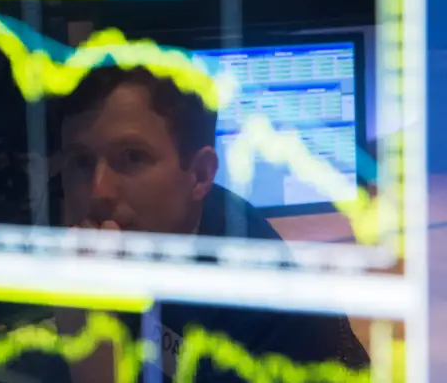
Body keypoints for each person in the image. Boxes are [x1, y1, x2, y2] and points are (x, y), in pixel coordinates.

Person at [45, 65, 369, 383]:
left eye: (132, 157)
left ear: (200, 174)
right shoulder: (138, 235)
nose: (97, 189)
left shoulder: (260, 310)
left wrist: (89, 334)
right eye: (81, 161)